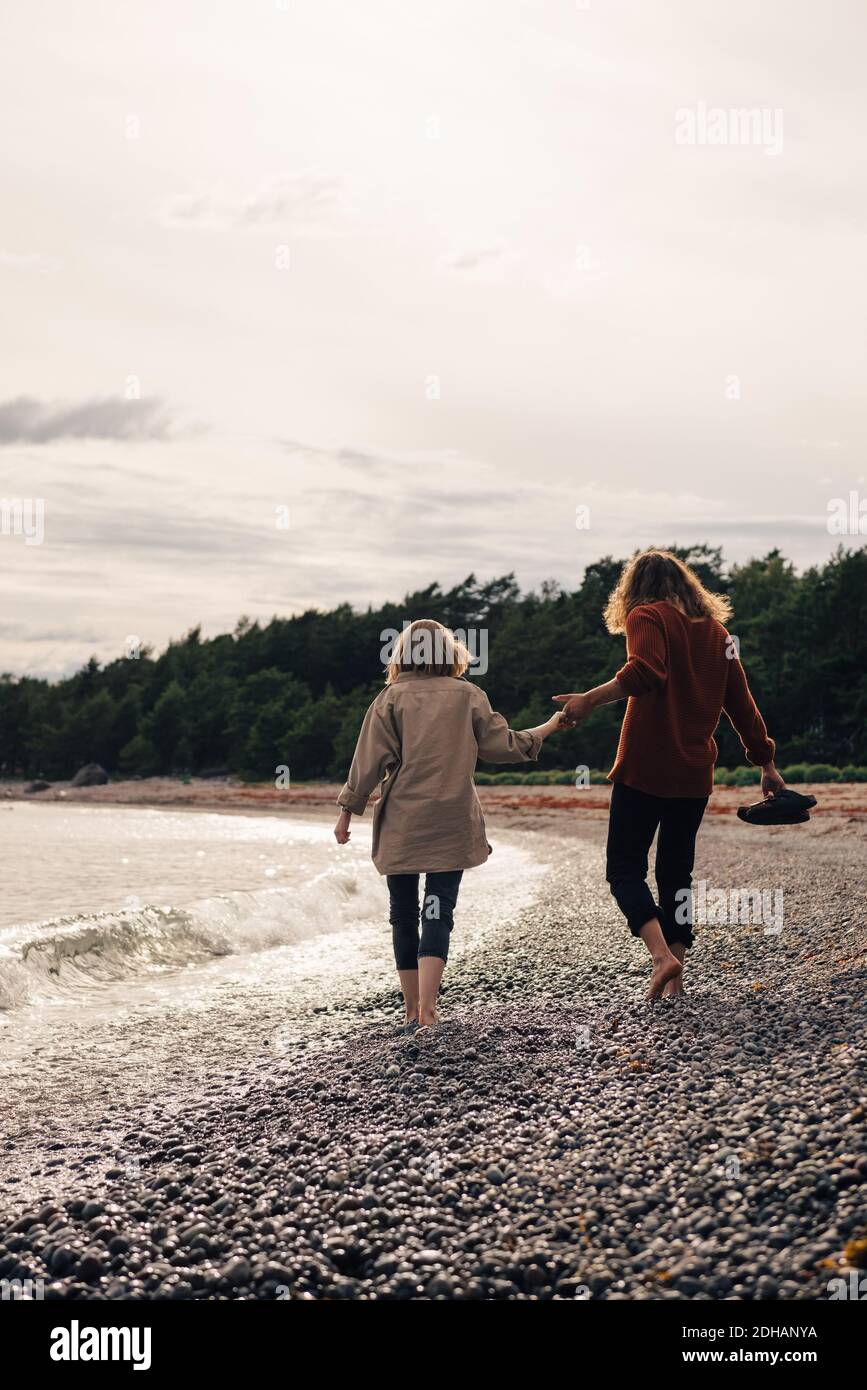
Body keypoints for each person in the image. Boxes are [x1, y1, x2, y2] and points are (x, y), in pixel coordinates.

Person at [554, 549, 783, 1001]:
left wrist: (588, 699)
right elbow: (742, 703)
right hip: (694, 774)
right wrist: (766, 762)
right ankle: (676, 984)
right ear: (688, 585)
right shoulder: (718, 633)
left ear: (634, 589)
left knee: (624, 870)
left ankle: (662, 957)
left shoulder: (646, 616)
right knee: (676, 873)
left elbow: (647, 671)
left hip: (644, 768)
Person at [334, 618, 561, 1030]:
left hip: (403, 819)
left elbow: (367, 762)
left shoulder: (390, 699)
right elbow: (502, 745)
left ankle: (409, 1011)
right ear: (449, 652)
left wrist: (348, 811)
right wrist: (548, 726)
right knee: (438, 910)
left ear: (402, 653)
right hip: (451, 818)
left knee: (402, 913)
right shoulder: (468, 695)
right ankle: (429, 1009)